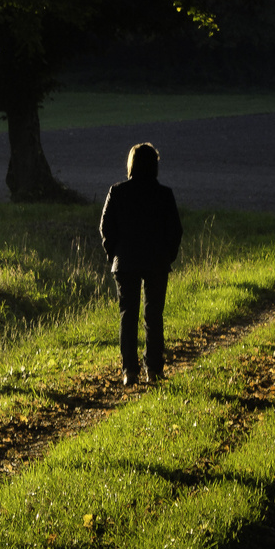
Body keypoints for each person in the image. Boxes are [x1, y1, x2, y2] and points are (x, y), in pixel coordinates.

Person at [99, 142, 182, 386]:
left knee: (128, 315)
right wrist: (168, 255)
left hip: (125, 261)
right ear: (155, 165)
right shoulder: (164, 194)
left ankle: (129, 371)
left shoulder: (117, 191)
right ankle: (153, 369)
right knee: (154, 315)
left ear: (131, 165)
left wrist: (114, 254)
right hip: (157, 260)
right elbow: (175, 230)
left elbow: (105, 227)